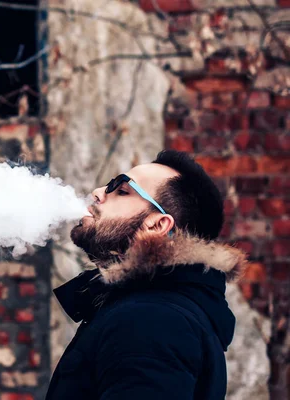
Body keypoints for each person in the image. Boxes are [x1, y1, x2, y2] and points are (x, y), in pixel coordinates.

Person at [45, 150, 246, 400]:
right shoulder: (156, 309)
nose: (98, 192)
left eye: (122, 190)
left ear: (158, 225)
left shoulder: (152, 318)